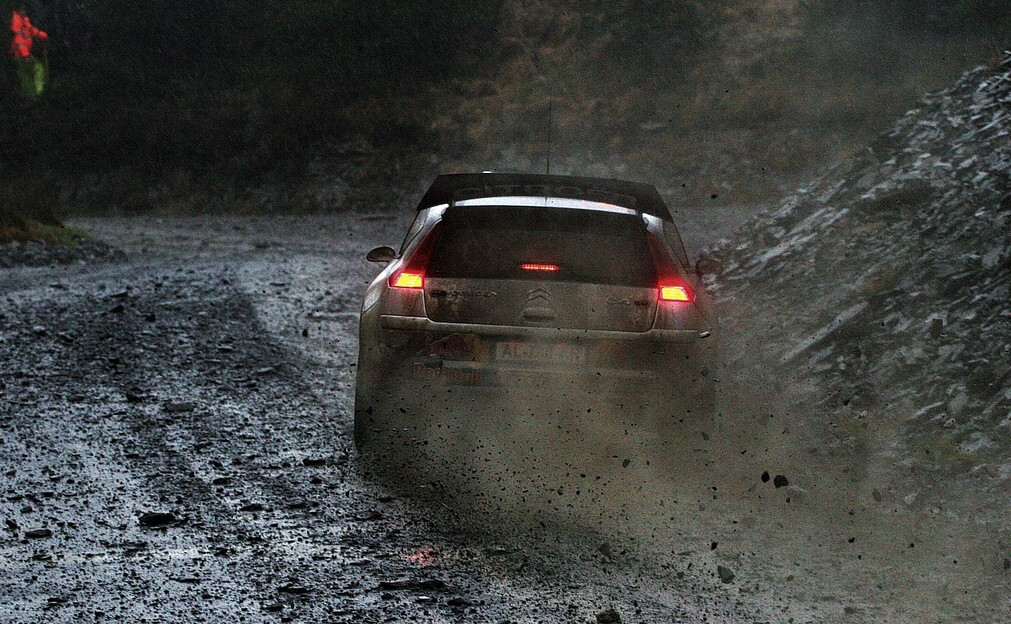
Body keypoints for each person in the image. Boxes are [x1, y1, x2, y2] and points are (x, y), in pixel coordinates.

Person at [9, 7, 48, 98]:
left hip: (24, 54)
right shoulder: (16, 22)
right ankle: (34, 95)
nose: (25, 11)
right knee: (29, 73)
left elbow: (31, 31)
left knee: (32, 72)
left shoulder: (23, 20)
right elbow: (19, 41)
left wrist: (43, 35)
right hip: (19, 55)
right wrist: (26, 55)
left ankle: (34, 94)